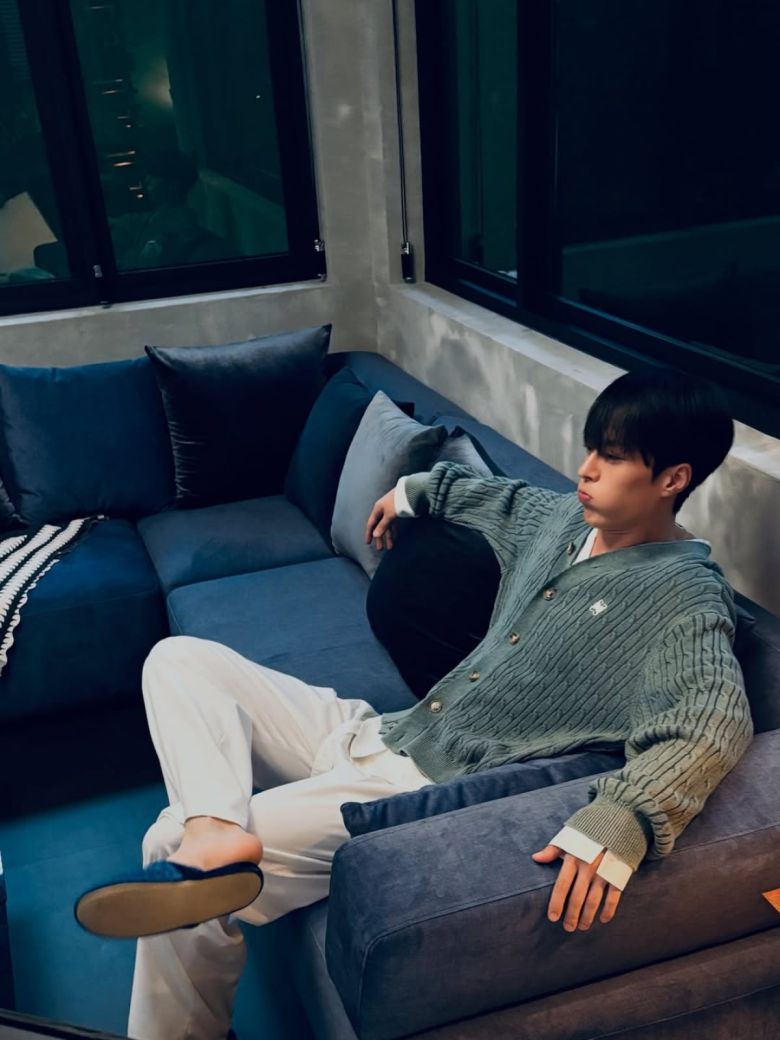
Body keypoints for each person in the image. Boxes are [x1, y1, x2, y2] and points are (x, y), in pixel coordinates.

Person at [75, 367, 752, 1040]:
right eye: (591, 447)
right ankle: (217, 827)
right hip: (383, 731)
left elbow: (711, 723)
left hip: (416, 788)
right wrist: (411, 492)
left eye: (612, 457)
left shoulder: (685, 597)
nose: (586, 469)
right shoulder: (565, 520)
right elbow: (499, 498)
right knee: (180, 659)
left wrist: (625, 816)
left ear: (673, 479)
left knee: (167, 843)